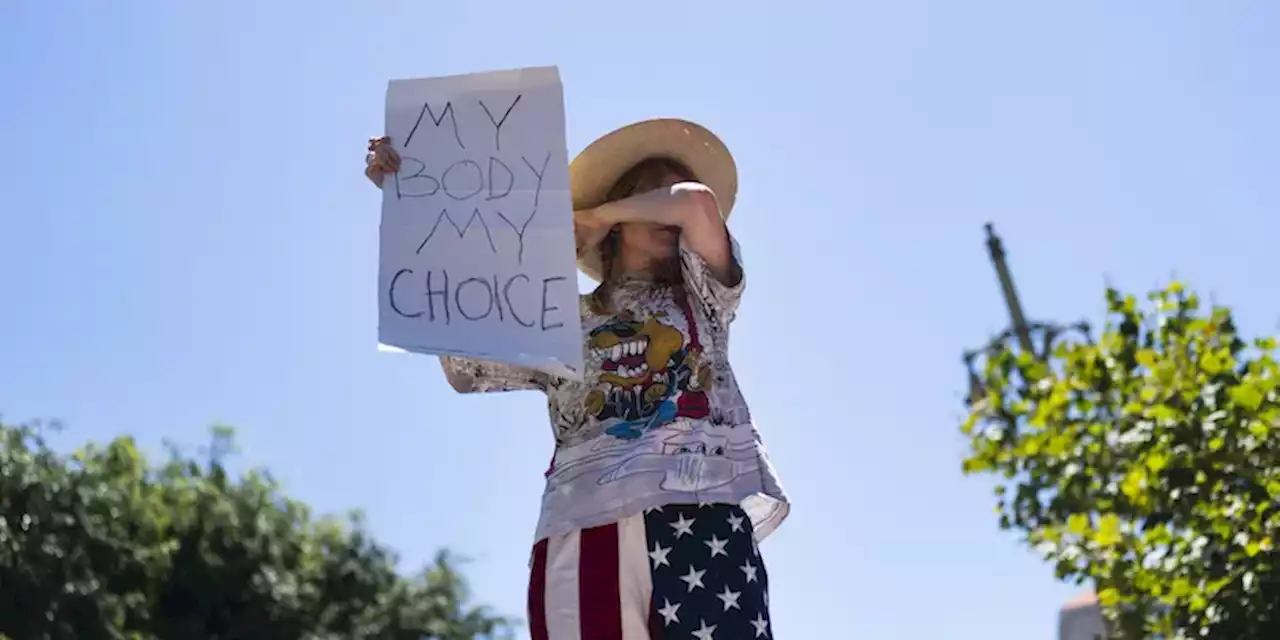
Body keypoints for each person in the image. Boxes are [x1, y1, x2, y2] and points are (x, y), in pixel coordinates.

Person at [365, 118, 789, 639]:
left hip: (701, 514)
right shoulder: (562, 318)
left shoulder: (706, 297)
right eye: (648, 192)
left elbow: (696, 202)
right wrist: (409, 198)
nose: (666, 205)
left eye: (665, 193)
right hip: (580, 525)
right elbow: (461, 357)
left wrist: (595, 215)